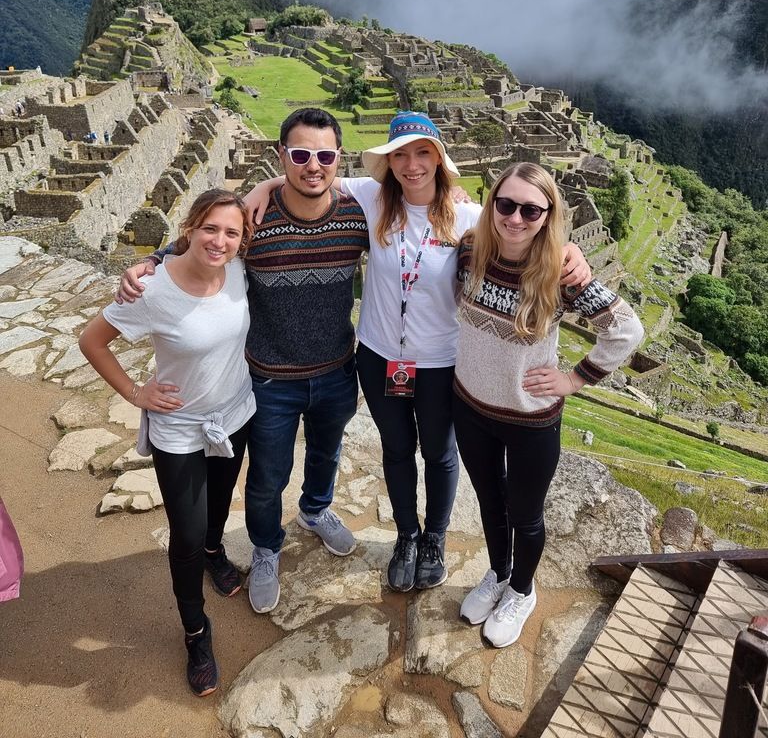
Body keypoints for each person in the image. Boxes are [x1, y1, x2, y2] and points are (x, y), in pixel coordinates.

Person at [247, 111, 590, 594]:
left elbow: (528, 235)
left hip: (439, 361)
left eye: (422, 153)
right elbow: (310, 172)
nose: (411, 165)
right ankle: (406, 535)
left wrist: (572, 252)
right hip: (378, 354)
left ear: (439, 159)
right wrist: (259, 189)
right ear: (388, 163)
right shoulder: (369, 199)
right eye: (401, 155)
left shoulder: (471, 218)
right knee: (396, 449)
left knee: (439, 453)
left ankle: (435, 538)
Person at [117, 108, 369, 617]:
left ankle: (316, 512)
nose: (313, 166)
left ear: (339, 158)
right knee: (266, 477)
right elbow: (208, 240)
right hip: (271, 378)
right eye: (299, 155)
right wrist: (154, 259)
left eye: (324, 155)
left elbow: (420, 191)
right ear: (283, 156)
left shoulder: (357, 212)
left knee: (326, 454)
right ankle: (265, 548)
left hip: (337, 369)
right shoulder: (256, 220)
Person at [453, 162, 644, 647]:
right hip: (470, 404)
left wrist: (575, 379)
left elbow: (625, 331)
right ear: (492, 203)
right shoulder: (470, 248)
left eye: (531, 209)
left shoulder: (560, 270)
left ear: (547, 215)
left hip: (529, 418)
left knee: (525, 513)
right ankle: (498, 573)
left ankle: (521, 589)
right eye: (506, 204)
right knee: (488, 502)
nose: (515, 218)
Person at [79, 189, 255, 696]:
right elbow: (92, 341)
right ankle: (196, 632)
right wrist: (136, 392)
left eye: (231, 232)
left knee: (219, 507)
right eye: (210, 229)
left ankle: (215, 553)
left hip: (235, 411)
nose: (219, 241)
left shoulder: (239, 271)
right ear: (190, 227)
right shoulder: (151, 290)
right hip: (180, 426)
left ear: (242, 240)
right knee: (185, 531)